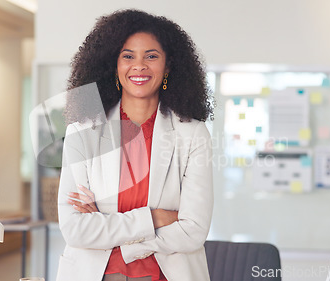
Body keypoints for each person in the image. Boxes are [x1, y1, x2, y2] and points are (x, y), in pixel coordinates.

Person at [57, 9, 214, 281]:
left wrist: (112, 232)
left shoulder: (193, 134)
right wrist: (153, 219)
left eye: (151, 56)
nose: (139, 66)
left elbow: (193, 231)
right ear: (113, 66)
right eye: (128, 56)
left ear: (167, 66)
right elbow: (75, 229)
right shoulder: (81, 132)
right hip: (95, 274)